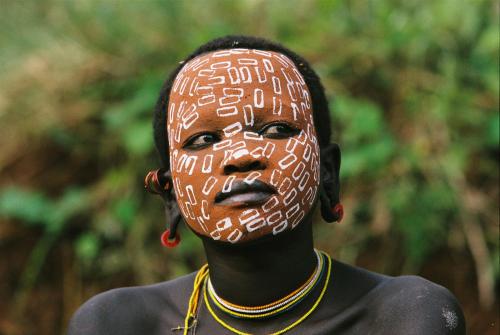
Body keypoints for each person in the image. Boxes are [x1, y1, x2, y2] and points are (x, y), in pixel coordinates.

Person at [67, 35, 465, 335]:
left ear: (327, 173)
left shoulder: (405, 316)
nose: (241, 156)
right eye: (204, 140)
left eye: (276, 129)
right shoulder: (114, 325)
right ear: (171, 196)